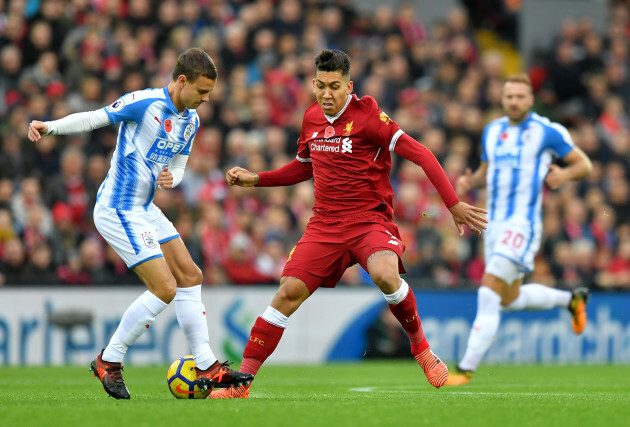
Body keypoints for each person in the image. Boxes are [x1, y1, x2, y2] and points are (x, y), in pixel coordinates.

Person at [209, 49, 488, 399]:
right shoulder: (310, 117)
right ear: (313, 84)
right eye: (321, 86)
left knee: (387, 275)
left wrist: (453, 204)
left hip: (370, 219)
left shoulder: (369, 116)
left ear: (349, 86)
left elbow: (421, 153)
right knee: (286, 293)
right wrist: (256, 180)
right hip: (325, 223)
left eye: (335, 87)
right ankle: (242, 384)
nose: (327, 94)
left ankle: (422, 350)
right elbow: (303, 166)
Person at [27, 48, 253, 399]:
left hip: (144, 208)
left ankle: (207, 363)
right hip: (117, 208)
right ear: (182, 80)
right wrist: (50, 127)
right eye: (202, 91)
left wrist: (172, 180)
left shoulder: (190, 120)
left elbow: (178, 166)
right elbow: (94, 119)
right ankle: (109, 360)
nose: (206, 99)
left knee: (191, 276)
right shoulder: (144, 103)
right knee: (164, 288)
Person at [446, 74, 593, 386]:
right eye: (508, 96)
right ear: (502, 99)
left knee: (488, 290)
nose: (513, 102)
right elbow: (488, 172)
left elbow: (585, 165)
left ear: (530, 99)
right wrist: (470, 182)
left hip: (522, 226)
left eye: (520, 97)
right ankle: (571, 301)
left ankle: (464, 369)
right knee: (508, 299)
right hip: (494, 226)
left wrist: (565, 175)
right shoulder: (492, 130)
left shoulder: (546, 132)